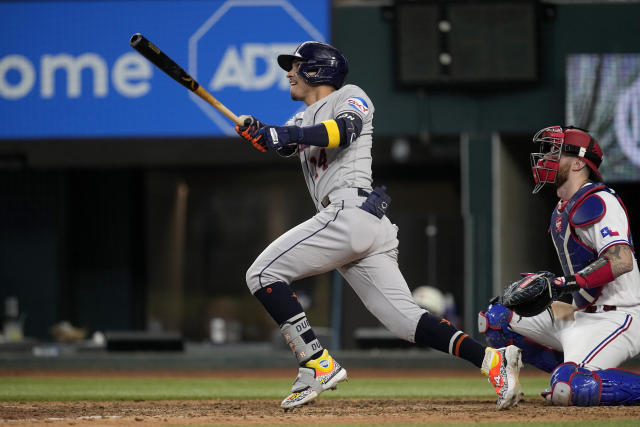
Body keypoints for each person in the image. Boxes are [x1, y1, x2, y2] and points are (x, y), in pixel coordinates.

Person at [235, 41, 522, 410]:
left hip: (349, 212)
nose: (289, 72)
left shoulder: (350, 95)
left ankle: (316, 363)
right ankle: (493, 361)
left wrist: (283, 135)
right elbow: (283, 142)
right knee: (405, 321)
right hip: (358, 223)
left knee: (261, 274)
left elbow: (343, 131)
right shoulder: (301, 119)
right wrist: (260, 131)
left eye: (296, 66)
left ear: (317, 71)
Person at [479, 125, 640, 406]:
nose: (546, 158)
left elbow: (621, 259)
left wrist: (565, 283)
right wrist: (561, 290)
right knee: (496, 318)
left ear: (578, 162)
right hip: (583, 313)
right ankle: (563, 370)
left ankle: (572, 375)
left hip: (619, 316)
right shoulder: (563, 207)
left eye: (556, 151)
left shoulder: (598, 200)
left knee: (571, 388)